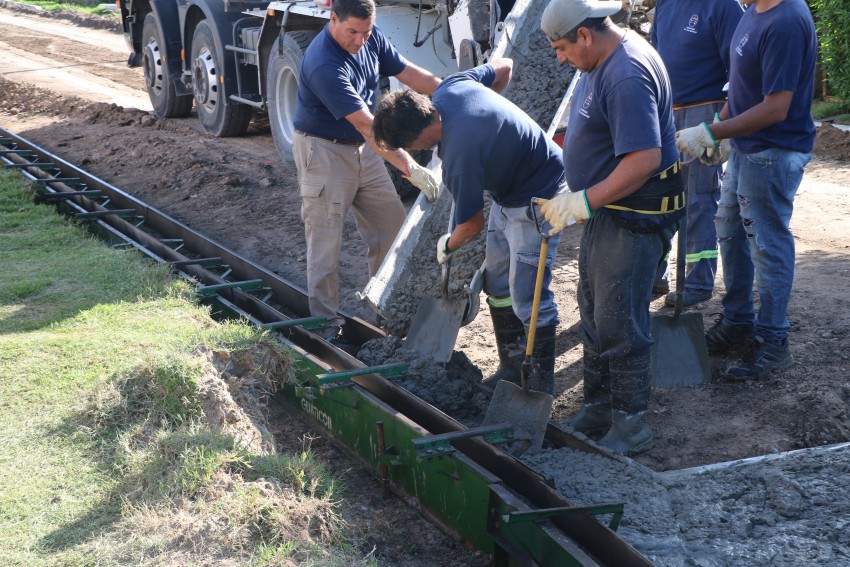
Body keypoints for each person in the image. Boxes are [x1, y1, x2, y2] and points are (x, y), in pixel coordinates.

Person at [538, 0, 685, 454]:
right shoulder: (600, 61)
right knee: (595, 309)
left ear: (585, 35)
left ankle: (630, 422)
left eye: (562, 48)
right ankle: (600, 405)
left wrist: (582, 199)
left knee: (619, 320)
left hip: (635, 214)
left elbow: (644, 160)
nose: (560, 59)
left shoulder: (626, 73)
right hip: (611, 211)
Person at [371, 59, 565, 394]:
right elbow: (504, 66)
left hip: (540, 196)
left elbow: (471, 225)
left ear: (415, 141)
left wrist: (447, 245)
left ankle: (537, 388)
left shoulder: (460, 155)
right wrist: (491, 124)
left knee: (529, 298)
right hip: (509, 194)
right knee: (497, 280)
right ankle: (511, 364)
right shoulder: (450, 87)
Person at [675, 0, 817, 379]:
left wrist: (709, 131)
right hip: (744, 147)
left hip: (772, 152)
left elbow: (775, 108)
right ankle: (739, 320)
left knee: (767, 246)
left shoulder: (785, 22)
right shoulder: (753, 13)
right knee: (731, 234)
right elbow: (742, 89)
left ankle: (774, 341)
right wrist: (720, 126)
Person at [292, 0, 442, 341]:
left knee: (390, 229)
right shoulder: (323, 64)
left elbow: (408, 72)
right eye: (352, 33)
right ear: (333, 20)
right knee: (326, 243)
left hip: (366, 150)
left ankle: (386, 313)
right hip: (324, 152)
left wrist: (450, 87)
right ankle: (325, 327)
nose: (360, 41)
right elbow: (366, 126)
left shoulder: (369, 36)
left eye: (366, 32)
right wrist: (412, 168)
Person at [650, 0, 744, 307]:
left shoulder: (722, 6)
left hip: (703, 112)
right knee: (658, 201)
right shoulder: (666, 3)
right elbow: (655, 57)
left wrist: (720, 126)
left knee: (698, 202)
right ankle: (654, 275)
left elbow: (740, 71)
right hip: (665, 113)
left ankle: (697, 282)